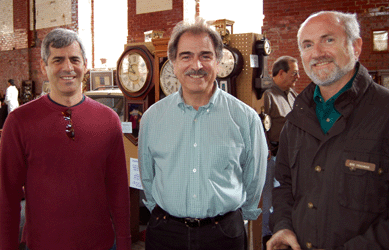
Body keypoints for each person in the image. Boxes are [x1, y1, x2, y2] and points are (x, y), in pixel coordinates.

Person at [138, 18, 268, 250]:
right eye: (186, 56)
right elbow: (148, 176)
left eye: (206, 56)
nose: (196, 65)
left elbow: (254, 178)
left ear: (218, 61)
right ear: (173, 64)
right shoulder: (152, 118)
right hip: (165, 233)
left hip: (224, 236)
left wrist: (241, 216)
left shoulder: (245, 119)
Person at [267, 11, 389, 250]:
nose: (317, 52)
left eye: (328, 40)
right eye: (308, 44)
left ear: (356, 46)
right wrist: (283, 226)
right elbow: (283, 183)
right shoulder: (297, 118)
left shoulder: (384, 113)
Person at [0, 28, 131, 250]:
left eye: (74, 59)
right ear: (43, 66)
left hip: (100, 244)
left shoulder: (108, 120)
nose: (68, 68)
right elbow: (8, 197)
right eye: (58, 60)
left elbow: (118, 191)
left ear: (85, 65)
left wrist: (126, 243)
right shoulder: (19, 122)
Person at [261, 56, 299, 248]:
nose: (298, 76)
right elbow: (260, 125)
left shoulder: (293, 95)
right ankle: (267, 236)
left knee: (285, 197)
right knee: (268, 198)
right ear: (281, 73)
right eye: (294, 73)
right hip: (271, 156)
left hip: (290, 157)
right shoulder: (266, 95)